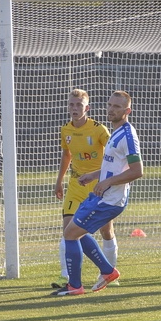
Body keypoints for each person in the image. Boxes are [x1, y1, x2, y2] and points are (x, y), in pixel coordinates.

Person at [52, 91, 143, 296]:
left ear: (127, 111)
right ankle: (105, 272)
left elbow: (137, 171)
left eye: (117, 107)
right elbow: (112, 165)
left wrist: (107, 182)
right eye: (110, 105)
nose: (111, 109)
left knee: (71, 233)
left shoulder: (127, 135)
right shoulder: (116, 132)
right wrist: (93, 175)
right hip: (100, 193)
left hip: (111, 199)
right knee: (74, 230)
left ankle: (77, 285)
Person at [53, 89, 116, 288]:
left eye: (79, 105)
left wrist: (108, 178)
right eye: (71, 104)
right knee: (68, 229)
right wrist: (59, 180)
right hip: (76, 184)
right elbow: (67, 155)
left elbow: (113, 154)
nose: (74, 108)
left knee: (106, 229)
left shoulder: (99, 130)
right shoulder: (65, 130)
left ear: (86, 108)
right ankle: (67, 277)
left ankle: (108, 272)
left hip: (98, 184)